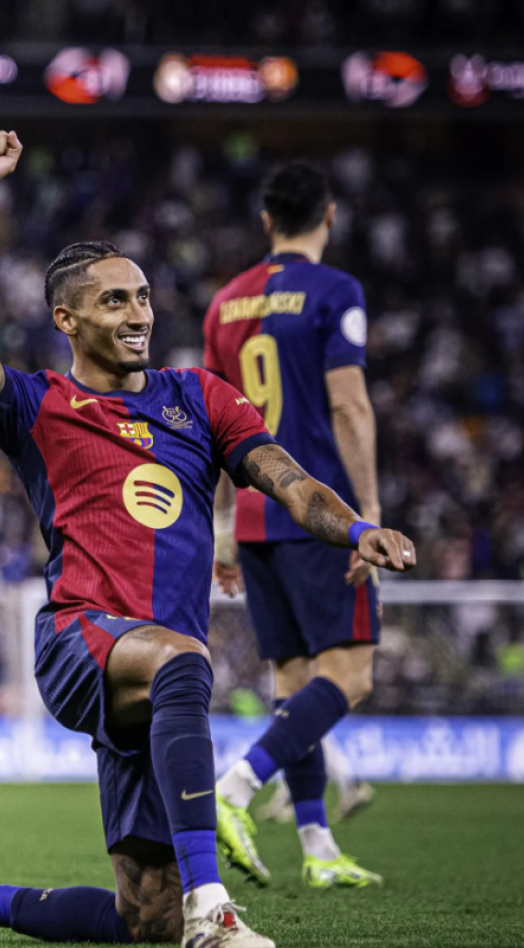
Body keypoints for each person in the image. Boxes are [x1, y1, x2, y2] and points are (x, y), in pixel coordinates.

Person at [0, 131, 415, 948]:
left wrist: (360, 528)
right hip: (83, 637)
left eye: (144, 296)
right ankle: (214, 907)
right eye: (115, 300)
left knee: (140, 918)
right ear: (66, 319)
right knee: (187, 658)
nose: (139, 313)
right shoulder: (35, 404)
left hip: (156, 686)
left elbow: (291, 483)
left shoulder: (200, 399)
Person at [204, 161, 384, 889]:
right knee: (352, 676)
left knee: (295, 681)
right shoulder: (336, 291)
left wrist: (222, 522)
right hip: (319, 511)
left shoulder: (225, 305)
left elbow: (216, 423)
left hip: (252, 515)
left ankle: (317, 847)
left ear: (266, 221)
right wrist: (364, 515)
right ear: (329, 215)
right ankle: (236, 787)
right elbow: (348, 406)